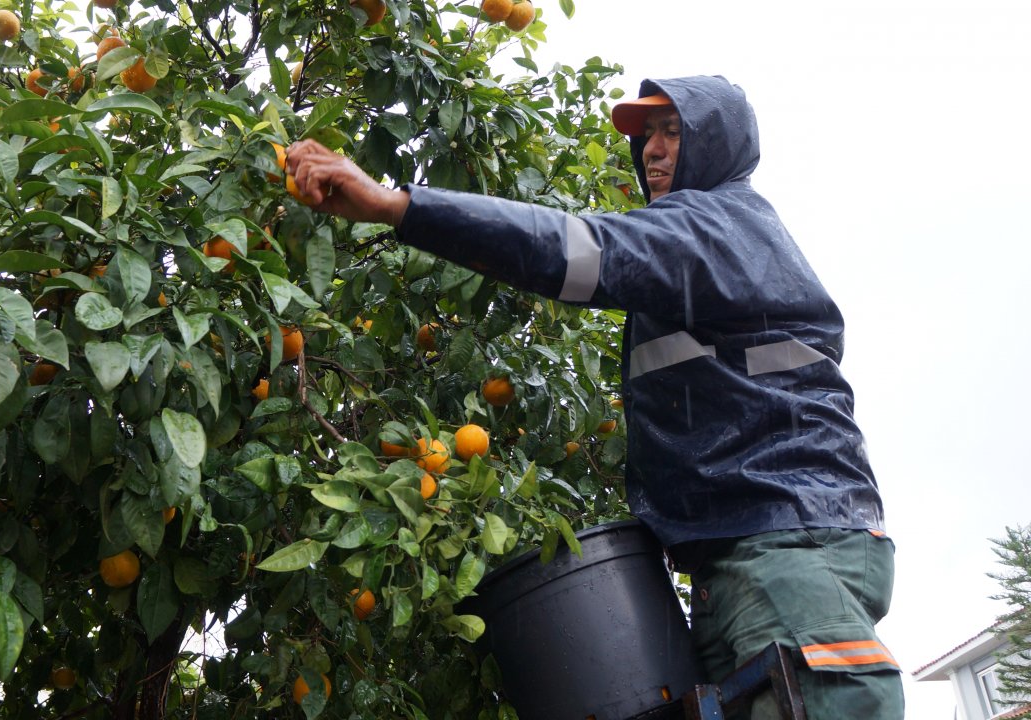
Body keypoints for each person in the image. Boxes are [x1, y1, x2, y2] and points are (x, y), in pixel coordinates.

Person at [286, 74, 903, 719]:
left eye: (673, 132)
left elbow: (579, 252)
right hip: (741, 557)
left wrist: (395, 206)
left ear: (717, 146)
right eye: (647, 136)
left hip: (787, 542)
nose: (652, 151)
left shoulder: (715, 228)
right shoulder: (706, 244)